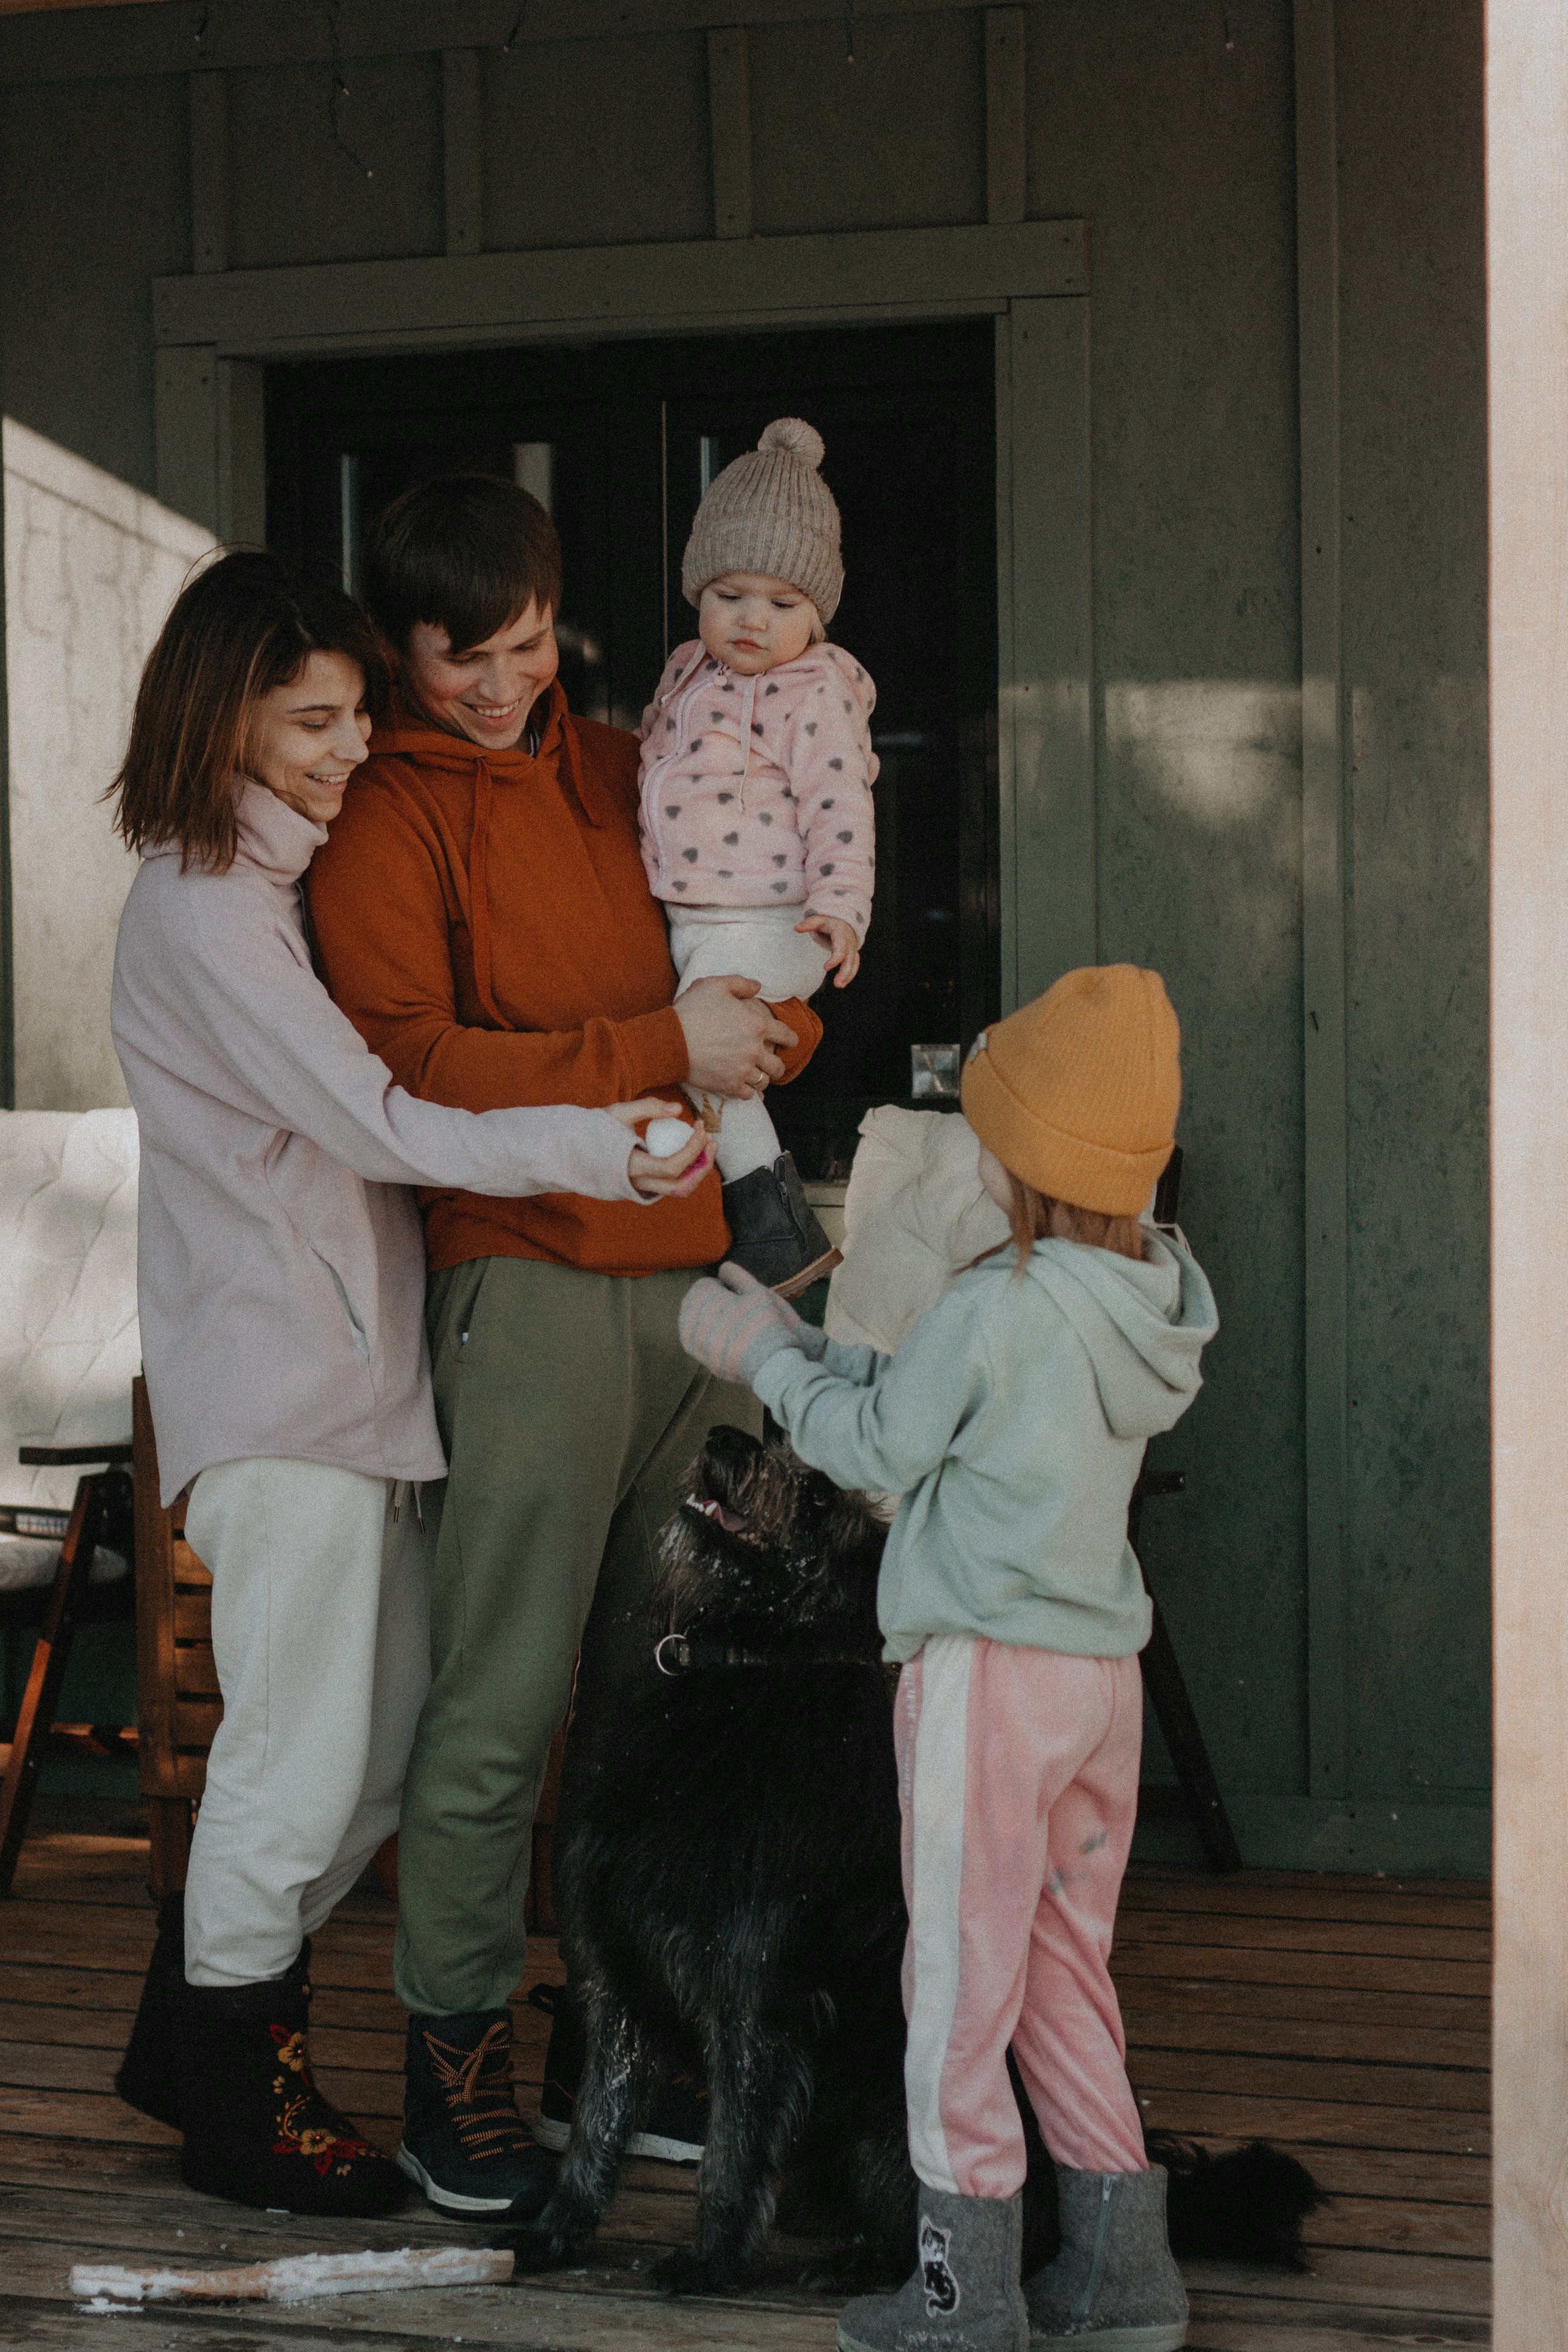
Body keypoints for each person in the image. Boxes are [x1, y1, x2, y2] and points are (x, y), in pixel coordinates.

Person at [108, 551, 709, 2222]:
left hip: (358, 1386)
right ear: (217, 712)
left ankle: (193, 2035)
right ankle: (240, 2108)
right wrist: (602, 1140)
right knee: (297, 1767)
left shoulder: (272, 881)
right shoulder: (208, 912)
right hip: (281, 1387)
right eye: (311, 720)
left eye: (359, 713)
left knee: (365, 1768)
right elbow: (382, 1122)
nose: (349, 747)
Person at [306, 472, 823, 2221]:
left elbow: (751, 934)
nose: (502, 686)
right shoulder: (388, 815)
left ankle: (635, 2038)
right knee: (505, 1700)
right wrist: (648, 1042)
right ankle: (457, 2065)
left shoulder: (627, 763)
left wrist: (770, 1016)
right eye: (463, 661)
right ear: (404, 650)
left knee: (658, 1707)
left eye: (529, 648)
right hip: (526, 1283)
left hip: (699, 1299)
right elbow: (411, 1072)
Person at [679, 966, 1218, 2352]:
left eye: (987, 1123)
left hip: (984, 1675)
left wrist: (758, 1354)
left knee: (954, 1987)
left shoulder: (995, 1305)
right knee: (1055, 1975)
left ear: (1023, 1156)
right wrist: (814, 1348)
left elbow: (873, 1449)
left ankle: (959, 2293)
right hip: (1093, 1687)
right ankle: (1120, 2274)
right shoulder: (1140, 1301)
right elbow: (945, 1411)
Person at [638, 415, 876, 1294]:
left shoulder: (812, 690)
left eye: (783, 605)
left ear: (817, 613)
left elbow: (840, 803)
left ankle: (774, 1228)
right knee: (697, 1052)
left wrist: (843, 908)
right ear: (698, 590)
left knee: (713, 1046)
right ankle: (737, 1210)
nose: (752, 621)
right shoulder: (687, 672)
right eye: (730, 594)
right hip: (700, 914)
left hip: (780, 916)